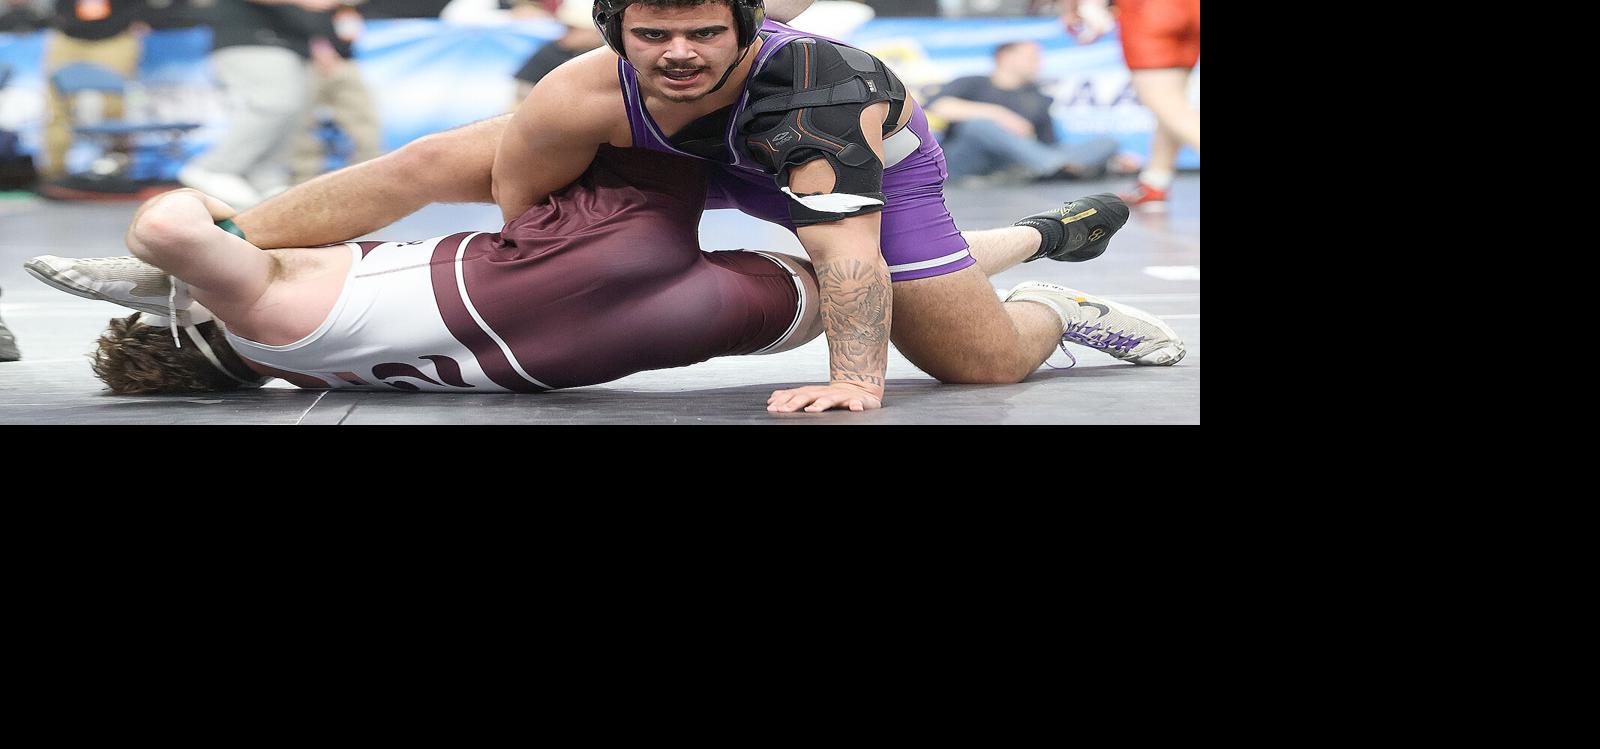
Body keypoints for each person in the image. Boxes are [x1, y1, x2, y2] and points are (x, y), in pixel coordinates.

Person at [33, 0, 1184, 411]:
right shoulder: (584, 87)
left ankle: (1031, 279)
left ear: (745, 31)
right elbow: (504, 191)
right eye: (652, 35)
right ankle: (1044, 247)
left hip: (841, 180)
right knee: (438, 154)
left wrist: (859, 380)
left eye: (702, 34)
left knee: (962, 357)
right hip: (633, 213)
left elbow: (846, 257)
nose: (678, 53)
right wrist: (526, 235)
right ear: (615, 33)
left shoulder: (825, 96)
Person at [35, 148, 1163, 406]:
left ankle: (1050, 266)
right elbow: (176, 223)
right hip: (536, 284)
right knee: (616, 110)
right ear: (196, 320)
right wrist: (185, 243)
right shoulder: (245, 306)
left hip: (597, 347)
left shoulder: (297, 356)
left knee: (864, 282)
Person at [176, 0, 336, 208]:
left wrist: (318, 43)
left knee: (294, 114)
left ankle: (264, 179)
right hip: (249, 39)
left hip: (289, 44)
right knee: (274, 104)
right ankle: (214, 168)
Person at [1062, 0, 1198, 208]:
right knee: (1172, 104)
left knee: (1167, 105)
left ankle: (1154, 182)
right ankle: (1154, 181)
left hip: (1149, 10)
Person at [925, 40, 1119, 183]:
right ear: (1004, 58)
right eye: (1031, 57)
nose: (1037, 63)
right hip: (965, 159)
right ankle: (1056, 168)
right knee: (980, 125)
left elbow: (1048, 143)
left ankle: (1050, 167)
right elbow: (939, 107)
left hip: (1013, 161)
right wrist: (999, 115)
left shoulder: (1036, 97)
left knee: (1107, 142)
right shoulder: (972, 82)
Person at [40, 0, 146, 181]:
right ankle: (54, 173)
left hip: (114, 36)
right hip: (68, 36)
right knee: (56, 108)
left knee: (115, 108)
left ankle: (118, 167)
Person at [289, 2, 382, 184]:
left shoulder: (345, 10)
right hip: (310, 58)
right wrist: (318, 44)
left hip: (342, 58)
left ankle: (370, 174)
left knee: (362, 120)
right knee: (304, 122)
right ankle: (301, 178)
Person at [513, 0, 605, 101]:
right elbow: (523, 88)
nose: (569, 34)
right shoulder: (550, 52)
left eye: (574, 29)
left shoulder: (605, 55)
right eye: (568, 28)